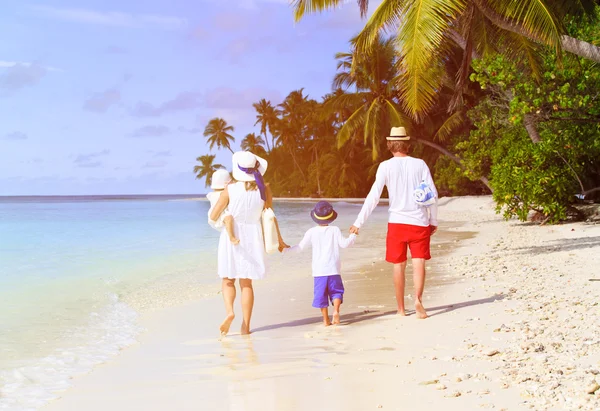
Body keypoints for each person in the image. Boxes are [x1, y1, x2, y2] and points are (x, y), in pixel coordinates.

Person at [350, 127, 438, 319]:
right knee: (418, 262)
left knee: (398, 266)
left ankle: (400, 309)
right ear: (407, 144)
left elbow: (373, 196)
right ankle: (418, 300)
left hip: (397, 223)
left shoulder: (385, 166)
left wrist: (358, 222)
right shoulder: (420, 164)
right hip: (419, 221)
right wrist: (433, 220)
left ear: (389, 145)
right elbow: (433, 194)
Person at [210, 151, 287, 336]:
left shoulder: (230, 189)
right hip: (252, 236)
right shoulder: (264, 189)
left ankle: (229, 312)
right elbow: (269, 216)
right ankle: (246, 326)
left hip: (232, 236)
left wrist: (226, 217)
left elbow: (213, 215)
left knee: (228, 280)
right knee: (246, 284)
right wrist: (280, 240)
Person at [284, 201, 356, 326]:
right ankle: (336, 311)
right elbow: (345, 244)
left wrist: (285, 250)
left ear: (315, 218)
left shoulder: (311, 232)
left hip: (319, 271)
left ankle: (325, 319)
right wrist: (353, 235)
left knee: (321, 295)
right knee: (336, 291)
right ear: (331, 217)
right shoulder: (335, 230)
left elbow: (300, 248)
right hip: (334, 269)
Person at [206, 169, 239, 245]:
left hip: (219, 213)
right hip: (220, 215)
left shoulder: (214, 194)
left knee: (228, 218)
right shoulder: (221, 194)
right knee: (228, 218)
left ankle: (231, 236)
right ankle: (232, 237)